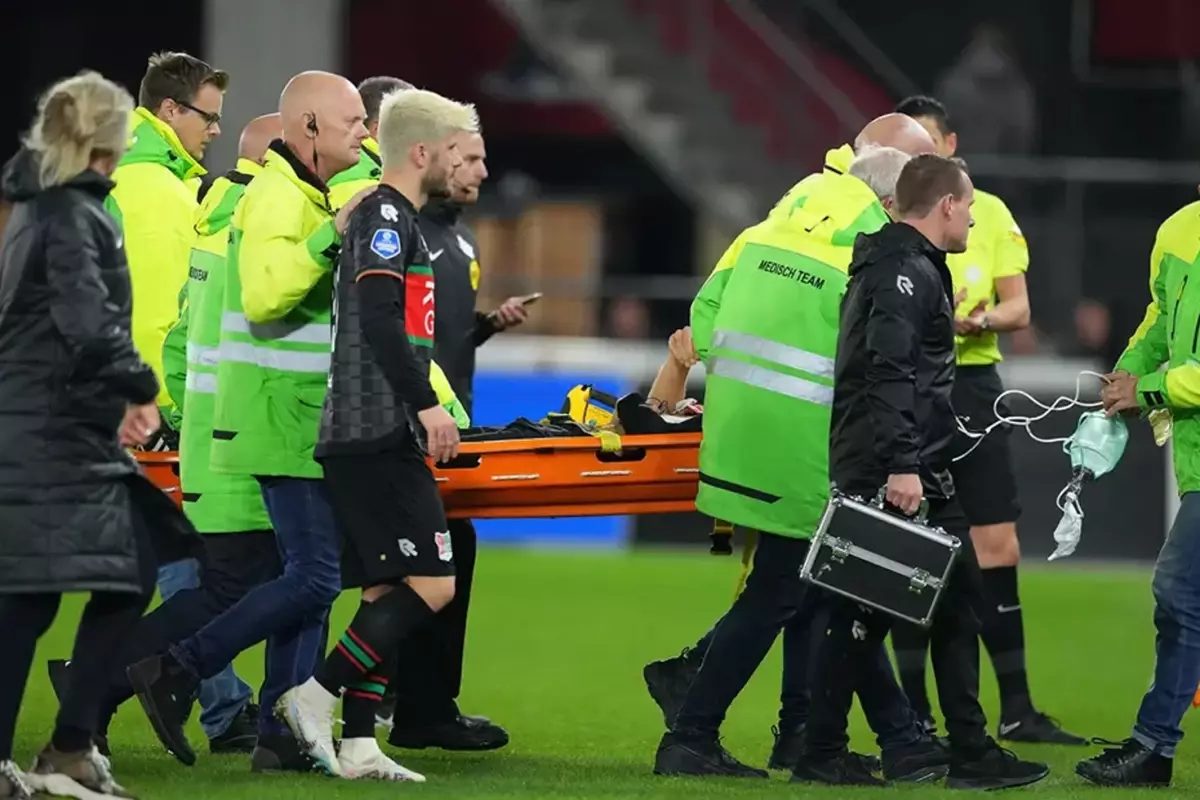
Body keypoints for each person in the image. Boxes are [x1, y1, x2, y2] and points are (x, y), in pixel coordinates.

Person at [647, 115, 938, 774]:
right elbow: (880, 364)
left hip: (740, 435)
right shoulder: (875, 251)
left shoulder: (772, 223)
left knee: (818, 584)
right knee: (795, 588)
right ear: (891, 197)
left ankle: (854, 737)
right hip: (811, 448)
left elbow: (704, 322)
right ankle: (692, 730)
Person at [125, 70, 371, 766]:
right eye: (354, 120)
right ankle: (168, 673)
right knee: (298, 580)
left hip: (278, 421)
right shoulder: (274, 199)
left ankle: (278, 733)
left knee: (299, 581)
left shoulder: (287, 199)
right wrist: (330, 239)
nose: (364, 133)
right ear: (309, 127)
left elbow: (183, 337)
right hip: (275, 422)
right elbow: (265, 300)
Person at [806, 153, 1048, 790]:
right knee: (870, 612)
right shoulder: (904, 274)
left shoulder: (902, 266)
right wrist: (903, 465)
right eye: (968, 207)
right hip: (895, 469)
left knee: (945, 605)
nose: (972, 219)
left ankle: (962, 750)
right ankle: (830, 749)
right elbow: (888, 372)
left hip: (908, 461)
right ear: (946, 205)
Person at [0, 70, 197, 799]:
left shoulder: (44, 205)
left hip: (56, 425)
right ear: (110, 138)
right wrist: (139, 387)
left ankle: (70, 748)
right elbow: (88, 323)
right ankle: (64, 749)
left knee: (105, 577)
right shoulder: (72, 213)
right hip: (49, 432)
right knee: (43, 593)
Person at [276, 87, 479, 782]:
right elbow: (379, 315)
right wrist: (426, 406)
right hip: (376, 430)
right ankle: (313, 696)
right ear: (422, 152)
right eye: (454, 151)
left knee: (384, 591)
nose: (461, 165)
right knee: (435, 584)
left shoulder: (394, 216)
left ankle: (359, 743)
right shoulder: (385, 215)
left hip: (369, 431)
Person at [890, 95, 1083, 745]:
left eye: (931, 142)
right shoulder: (886, 215)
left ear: (950, 144)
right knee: (909, 547)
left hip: (972, 386)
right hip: (910, 385)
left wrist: (980, 320)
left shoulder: (987, 212)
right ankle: (913, 715)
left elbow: (1019, 309)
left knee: (997, 544)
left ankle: (1018, 709)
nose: (923, 153)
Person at [103, 50, 261, 755]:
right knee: (175, 562)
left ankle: (218, 708)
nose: (215, 131)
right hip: (143, 407)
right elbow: (155, 317)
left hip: (118, 400)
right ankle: (93, 691)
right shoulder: (154, 192)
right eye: (208, 116)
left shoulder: (144, 180)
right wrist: (167, 407)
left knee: (174, 561)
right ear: (170, 110)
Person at [383, 126, 526, 751]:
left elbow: (443, 337)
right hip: (409, 421)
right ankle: (401, 702)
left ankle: (417, 703)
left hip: (446, 422)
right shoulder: (401, 229)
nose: (481, 172)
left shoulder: (461, 237)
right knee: (432, 557)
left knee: (441, 552)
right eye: (469, 158)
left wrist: (488, 325)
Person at [1074, 193, 1200, 788]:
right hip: (1196, 460)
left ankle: (1154, 746)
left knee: (1179, 591)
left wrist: (1146, 390)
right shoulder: (1178, 229)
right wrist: (1129, 368)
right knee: (1183, 595)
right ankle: (1154, 747)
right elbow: (1159, 319)